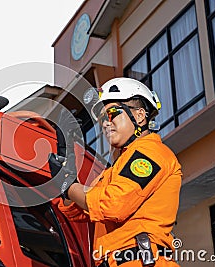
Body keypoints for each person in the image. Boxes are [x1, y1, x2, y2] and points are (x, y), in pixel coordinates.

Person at [49, 77, 182, 267]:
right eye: (102, 118)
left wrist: (68, 185)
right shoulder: (115, 170)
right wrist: (68, 172)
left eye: (111, 114)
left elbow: (112, 205)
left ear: (139, 116)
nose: (105, 123)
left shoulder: (150, 153)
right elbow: (77, 211)